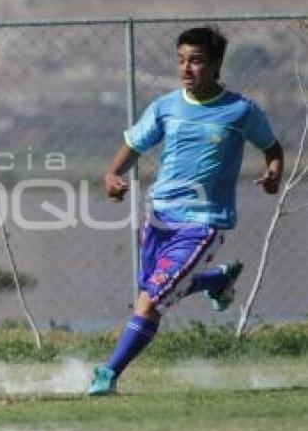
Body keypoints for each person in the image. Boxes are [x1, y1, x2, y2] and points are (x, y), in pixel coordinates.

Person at [88, 26, 284, 396]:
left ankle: (107, 374)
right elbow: (134, 143)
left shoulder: (241, 111)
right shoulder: (166, 107)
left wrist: (273, 173)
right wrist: (113, 173)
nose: (185, 68)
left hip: (204, 223)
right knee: (156, 289)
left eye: (195, 61)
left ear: (215, 65)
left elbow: (272, 148)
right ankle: (215, 280)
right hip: (160, 216)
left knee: (151, 301)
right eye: (180, 60)